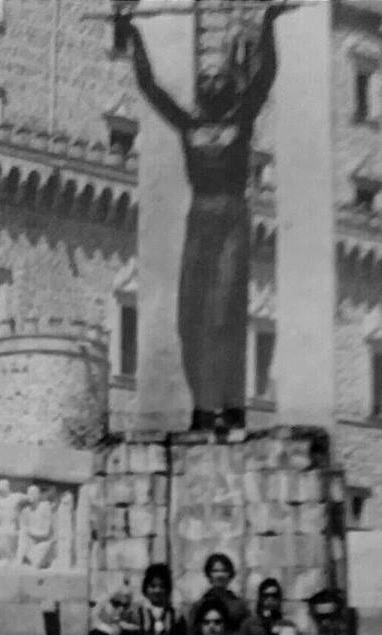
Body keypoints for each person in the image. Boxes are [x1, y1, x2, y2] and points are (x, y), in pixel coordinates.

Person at [123, 2, 293, 431]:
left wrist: (269, 23)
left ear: (231, 88)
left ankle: (231, 408)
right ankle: (202, 408)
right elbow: (149, 85)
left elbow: (266, 74)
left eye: (220, 78)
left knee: (226, 313)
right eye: (206, 78)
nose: (214, 82)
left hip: (233, 215)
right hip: (200, 217)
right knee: (190, 316)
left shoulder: (243, 118)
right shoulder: (186, 125)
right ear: (200, 88)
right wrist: (133, 34)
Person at [191, 553, 249, 635]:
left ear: (230, 575)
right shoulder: (199, 606)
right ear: (208, 575)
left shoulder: (240, 607)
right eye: (215, 571)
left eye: (224, 571)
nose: (220, 575)